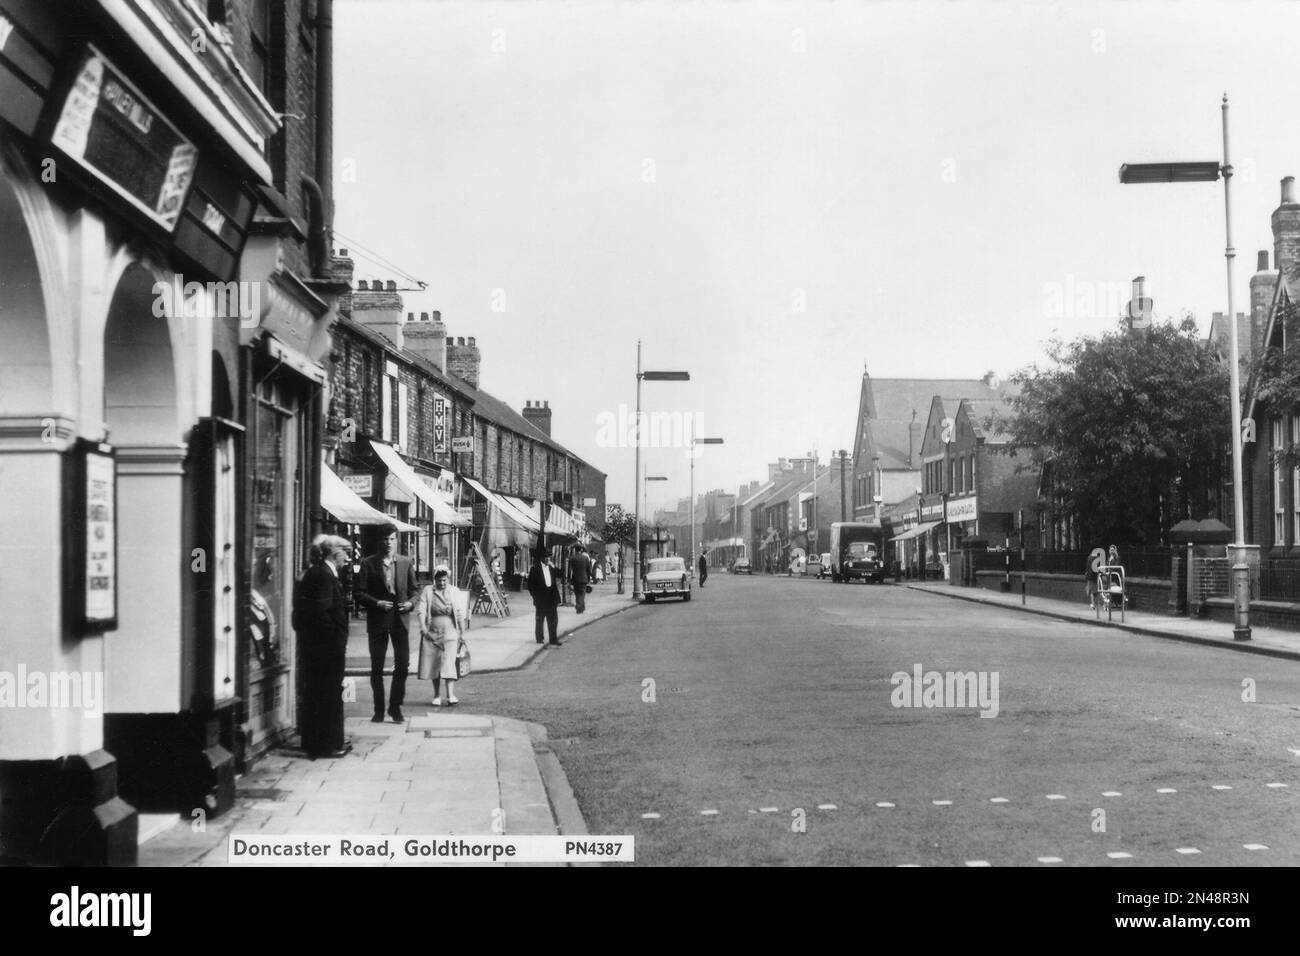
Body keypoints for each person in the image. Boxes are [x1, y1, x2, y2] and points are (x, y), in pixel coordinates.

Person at [294, 535, 353, 759]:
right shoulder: (323, 575)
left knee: (318, 694)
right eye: (345, 552)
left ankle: (318, 742)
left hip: (320, 648)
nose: (347, 558)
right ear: (334, 552)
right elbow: (321, 613)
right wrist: (336, 641)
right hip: (326, 650)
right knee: (326, 696)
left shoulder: (321, 573)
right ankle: (326, 745)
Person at [354, 526, 418, 723]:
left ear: (396, 541)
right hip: (378, 620)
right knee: (377, 667)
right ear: (379, 542)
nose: (388, 543)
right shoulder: (368, 563)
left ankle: (395, 707)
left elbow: (415, 591)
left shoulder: (406, 563)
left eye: (392, 539)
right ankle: (379, 710)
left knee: (403, 665)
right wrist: (376, 603)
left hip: (400, 620)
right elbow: (359, 593)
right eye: (385, 539)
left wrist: (410, 604)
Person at [416, 564, 469, 707]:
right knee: (435, 665)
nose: (442, 583)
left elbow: (459, 613)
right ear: (435, 579)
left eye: (444, 580)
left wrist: (462, 633)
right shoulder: (428, 591)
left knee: (449, 663)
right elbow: (421, 609)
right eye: (439, 580)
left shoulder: (454, 591)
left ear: (448, 579)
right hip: (433, 633)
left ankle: (450, 695)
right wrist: (422, 627)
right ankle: (436, 695)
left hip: (450, 633)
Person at [528, 549, 563, 646]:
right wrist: (535, 597)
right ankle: (539, 638)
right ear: (541, 558)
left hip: (551, 598)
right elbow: (530, 586)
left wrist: (554, 566)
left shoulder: (551, 568)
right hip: (541, 598)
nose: (547, 559)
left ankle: (553, 639)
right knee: (540, 620)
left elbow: (561, 574)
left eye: (549, 557)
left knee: (553, 620)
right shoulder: (535, 569)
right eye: (545, 557)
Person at [568, 545, 592, 613]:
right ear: (581, 550)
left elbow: (569, 571)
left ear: (575, 550)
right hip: (584, 579)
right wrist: (588, 579)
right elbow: (588, 570)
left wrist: (569, 580)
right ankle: (580, 606)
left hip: (575, 579)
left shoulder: (572, 558)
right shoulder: (585, 558)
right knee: (582, 593)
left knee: (577, 593)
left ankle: (580, 606)